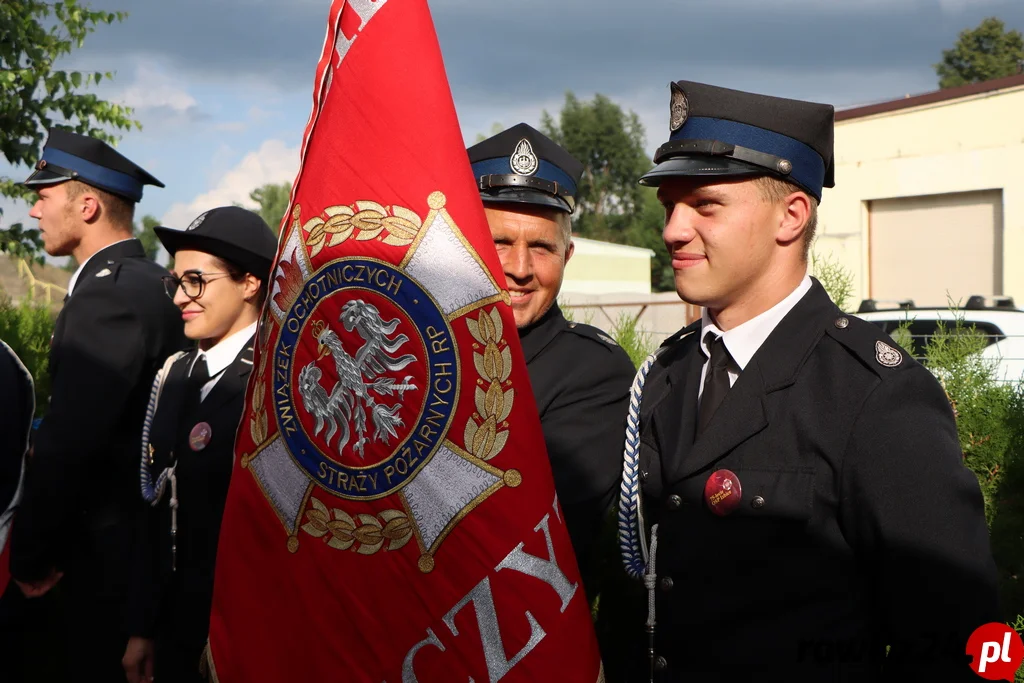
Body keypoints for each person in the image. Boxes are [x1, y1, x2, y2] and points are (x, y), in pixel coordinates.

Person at [624, 80, 1001, 681]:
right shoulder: (667, 373)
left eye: (705, 205)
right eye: (670, 205)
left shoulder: (875, 394)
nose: (672, 229)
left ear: (791, 216)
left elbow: (971, 639)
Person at [6, 128, 188, 680]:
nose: (33, 209)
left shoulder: (107, 294)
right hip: (145, 560)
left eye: (43, 195)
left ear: (86, 205)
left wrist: (31, 559)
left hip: (97, 567)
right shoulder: (153, 282)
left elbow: (70, 446)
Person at [467, 124, 635, 596]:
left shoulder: (595, 373)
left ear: (568, 254)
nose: (520, 268)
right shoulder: (420, 353)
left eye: (541, 247)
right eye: (499, 242)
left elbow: (532, 529)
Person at [122, 207, 277, 683]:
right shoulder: (176, 374)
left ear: (250, 282)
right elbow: (155, 517)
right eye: (176, 282)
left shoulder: (278, 381)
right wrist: (142, 628)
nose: (179, 299)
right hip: (177, 632)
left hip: (253, 637)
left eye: (196, 280)